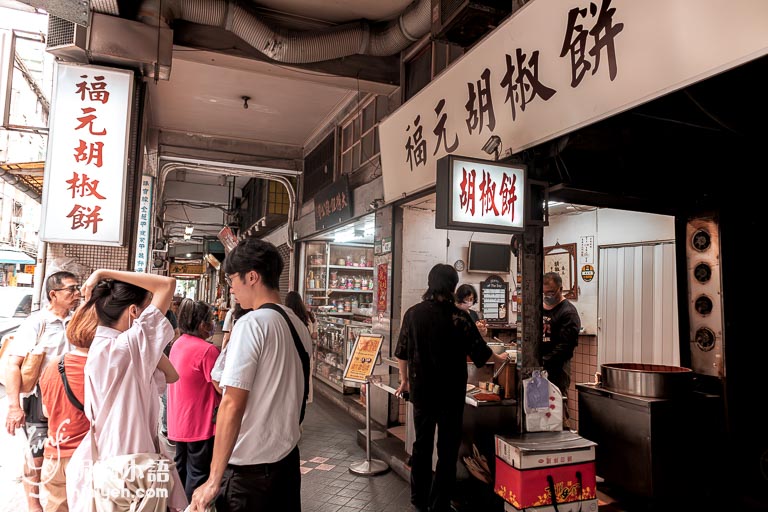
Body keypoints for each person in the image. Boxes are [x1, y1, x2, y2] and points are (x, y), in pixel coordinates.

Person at [189, 238, 311, 512]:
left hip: (250, 475)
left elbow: (232, 402)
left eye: (233, 279)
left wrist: (213, 480)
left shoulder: (252, 323)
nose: (231, 288)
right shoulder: (297, 323)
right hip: (287, 465)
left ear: (252, 276)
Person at [65, 270, 187, 512]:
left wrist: (149, 345)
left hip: (112, 465)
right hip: (136, 469)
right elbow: (167, 285)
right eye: (146, 308)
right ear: (133, 312)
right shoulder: (126, 347)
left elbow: (172, 375)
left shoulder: (102, 348)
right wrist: (102, 273)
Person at [395, 264, 509, 512]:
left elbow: (401, 352)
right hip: (451, 395)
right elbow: (481, 352)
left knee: (421, 446)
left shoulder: (413, 314)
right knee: (447, 450)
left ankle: (418, 499)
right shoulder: (460, 317)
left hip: (422, 393)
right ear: (453, 286)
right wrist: (502, 359)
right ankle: (439, 503)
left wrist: (404, 379)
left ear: (430, 283)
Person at [5, 270, 81, 512]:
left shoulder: (76, 320)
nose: (76, 293)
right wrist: (14, 406)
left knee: (69, 452)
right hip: (40, 398)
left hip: (70, 399)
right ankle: (34, 504)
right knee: (37, 454)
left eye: (78, 288)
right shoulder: (37, 322)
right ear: (53, 294)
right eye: (71, 289)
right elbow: (12, 364)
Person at [167, 298, 221, 502]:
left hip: (179, 423)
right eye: (211, 320)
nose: (213, 324)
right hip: (200, 424)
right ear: (201, 324)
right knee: (198, 475)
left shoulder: (178, 343)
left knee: (181, 470)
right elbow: (221, 387)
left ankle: (177, 506)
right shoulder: (207, 350)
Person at [38, 310, 92, 512]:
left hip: (55, 456)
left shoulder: (52, 366)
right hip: (85, 458)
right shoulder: (98, 367)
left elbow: (46, 411)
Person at [541, 271, 582, 414]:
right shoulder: (538, 308)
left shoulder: (568, 312)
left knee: (557, 406)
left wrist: (545, 361)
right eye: (544, 292)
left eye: (551, 292)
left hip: (558, 368)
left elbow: (566, 347)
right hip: (539, 365)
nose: (547, 295)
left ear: (560, 289)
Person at [284, 291, 316, 403]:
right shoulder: (308, 316)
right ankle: (304, 399)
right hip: (306, 352)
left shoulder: (285, 316)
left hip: (290, 352)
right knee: (305, 378)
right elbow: (314, 335)